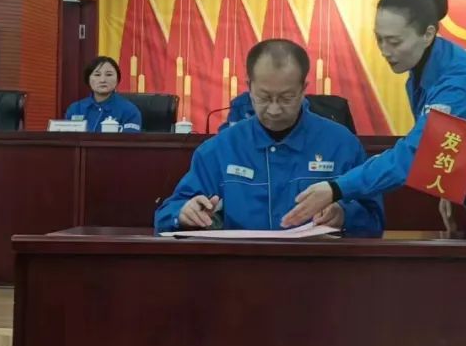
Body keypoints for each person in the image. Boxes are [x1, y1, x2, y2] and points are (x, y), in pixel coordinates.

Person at [281, 0, 466, 233]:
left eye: (394, 41)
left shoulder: (457, 81)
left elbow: (415, 155)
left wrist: (336, 188)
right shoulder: (423, 70)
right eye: (379, 39)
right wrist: (448, 187)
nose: (385, 50)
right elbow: (455, 140)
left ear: (428, 34)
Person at [155, 39, 384, 234]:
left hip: (319, 266)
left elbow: (375, 220)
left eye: (286, 98)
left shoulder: (342, 144)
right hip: (240, 267)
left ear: (303, 89)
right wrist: (183, 213)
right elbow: (166, 215)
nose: (274, 110)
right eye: (264, 97)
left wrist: (344, 215)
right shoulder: (219, 149)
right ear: (249, 87)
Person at [65, 56, 142, 133]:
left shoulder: (129, 111)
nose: (103, 80)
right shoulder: (76, 109)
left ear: (117, 79)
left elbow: (130, 139)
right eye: (97, 75)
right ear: (88, 79)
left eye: (109, 75)